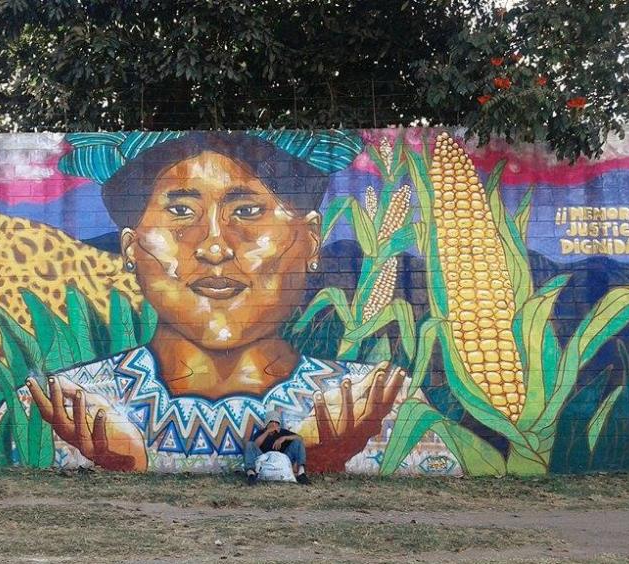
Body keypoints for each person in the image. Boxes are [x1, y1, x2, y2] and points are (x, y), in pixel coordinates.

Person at [24, 131, 409, 473]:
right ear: (130, 246)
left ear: (310, 240)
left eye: (247, 211)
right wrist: (128, 464)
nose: (214, 247)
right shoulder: (61, 406)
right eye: (180, 212)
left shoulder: (382, 402)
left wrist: (327, 461)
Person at [244, 410, 309, 485]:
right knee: (249, 444)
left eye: (276, 422)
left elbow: (300, 438)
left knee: (298, 441)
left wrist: (284, 438)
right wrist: (267, 432)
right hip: (265, 461)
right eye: (272, 422)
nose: (274, 424)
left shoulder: (283, 432)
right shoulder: (261, 433)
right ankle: (251, 475)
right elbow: (254, 446)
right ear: (267, 423)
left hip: (283, 461)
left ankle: (301, 473)